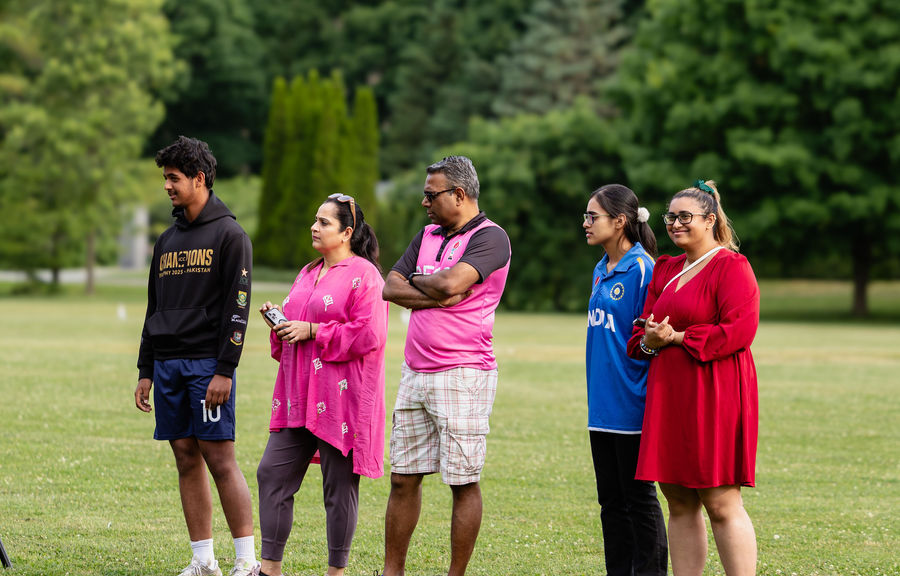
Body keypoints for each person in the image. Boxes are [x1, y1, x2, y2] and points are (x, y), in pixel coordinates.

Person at [379, 156, 511, 576]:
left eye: (430, 194)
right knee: (402, 478)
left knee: (462, 481)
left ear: (459, 194)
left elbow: (451, 283)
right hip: (414, 372)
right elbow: (390, 287)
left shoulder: (492, 238)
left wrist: (431, 283)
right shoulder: (427, 234)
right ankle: (392, 572)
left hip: (463, 373)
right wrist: (436, 290)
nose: (424, 202)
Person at [134, 136, 260, 576]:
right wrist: (146, 369)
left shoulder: (230, 236)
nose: (167, 186)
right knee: (185, 457)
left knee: (219, 459)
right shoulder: (166, 240)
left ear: (199, 179)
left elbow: (238, 309)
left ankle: (246, 561)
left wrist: (225, 369)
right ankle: (203, 560)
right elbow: (153, 308)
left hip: (207, 366)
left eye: (174, 178)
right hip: (167, 365)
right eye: (165, 178)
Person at [627, 180, 759, 576]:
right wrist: (650, 340)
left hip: (715, 391)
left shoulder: (731, 266)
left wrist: (677, 337)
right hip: (669, 393)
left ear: (710, 219)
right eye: (670, 217)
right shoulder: (666, 268)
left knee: (720, 503)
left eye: (685, 216)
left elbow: (738, 331)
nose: (675, 224)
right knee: (680, 501)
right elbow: (641, 334)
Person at [256, 194, 387, 576]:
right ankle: (269, 570)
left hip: (340, 397)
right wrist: (281, 324)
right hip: (297, 395)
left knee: (339, 488)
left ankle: (336, 572)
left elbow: (369, 334)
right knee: (271, 473)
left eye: (324, 222)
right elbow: (295, 330)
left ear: (347, 232)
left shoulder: (366, 276)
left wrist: (313, 330)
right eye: (315, 220)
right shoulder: (307, 272)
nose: (314, 227)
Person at [583, 184, 668, 576]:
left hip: (633, 403)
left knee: (638, 498)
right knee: (610, 501)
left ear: (619, 222)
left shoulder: (642, 269)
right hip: (601, 404)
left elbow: (649, 341)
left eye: (593, 216)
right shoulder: (601, 267)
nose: (586, 223)